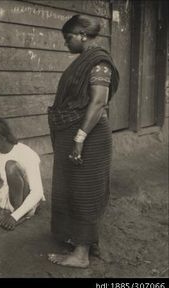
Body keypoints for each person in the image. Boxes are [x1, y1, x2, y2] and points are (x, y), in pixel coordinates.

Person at [47, 15, 119, 268]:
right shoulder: (84, 62)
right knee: (70, 188)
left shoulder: (99, 64)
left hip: (90, 137)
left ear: (82, 35)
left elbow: (98, 102)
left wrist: (79, 138)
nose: (66, 43)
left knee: (84, 192)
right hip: (78, 135)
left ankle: (81, 255)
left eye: (68, 38)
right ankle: (80, 240)